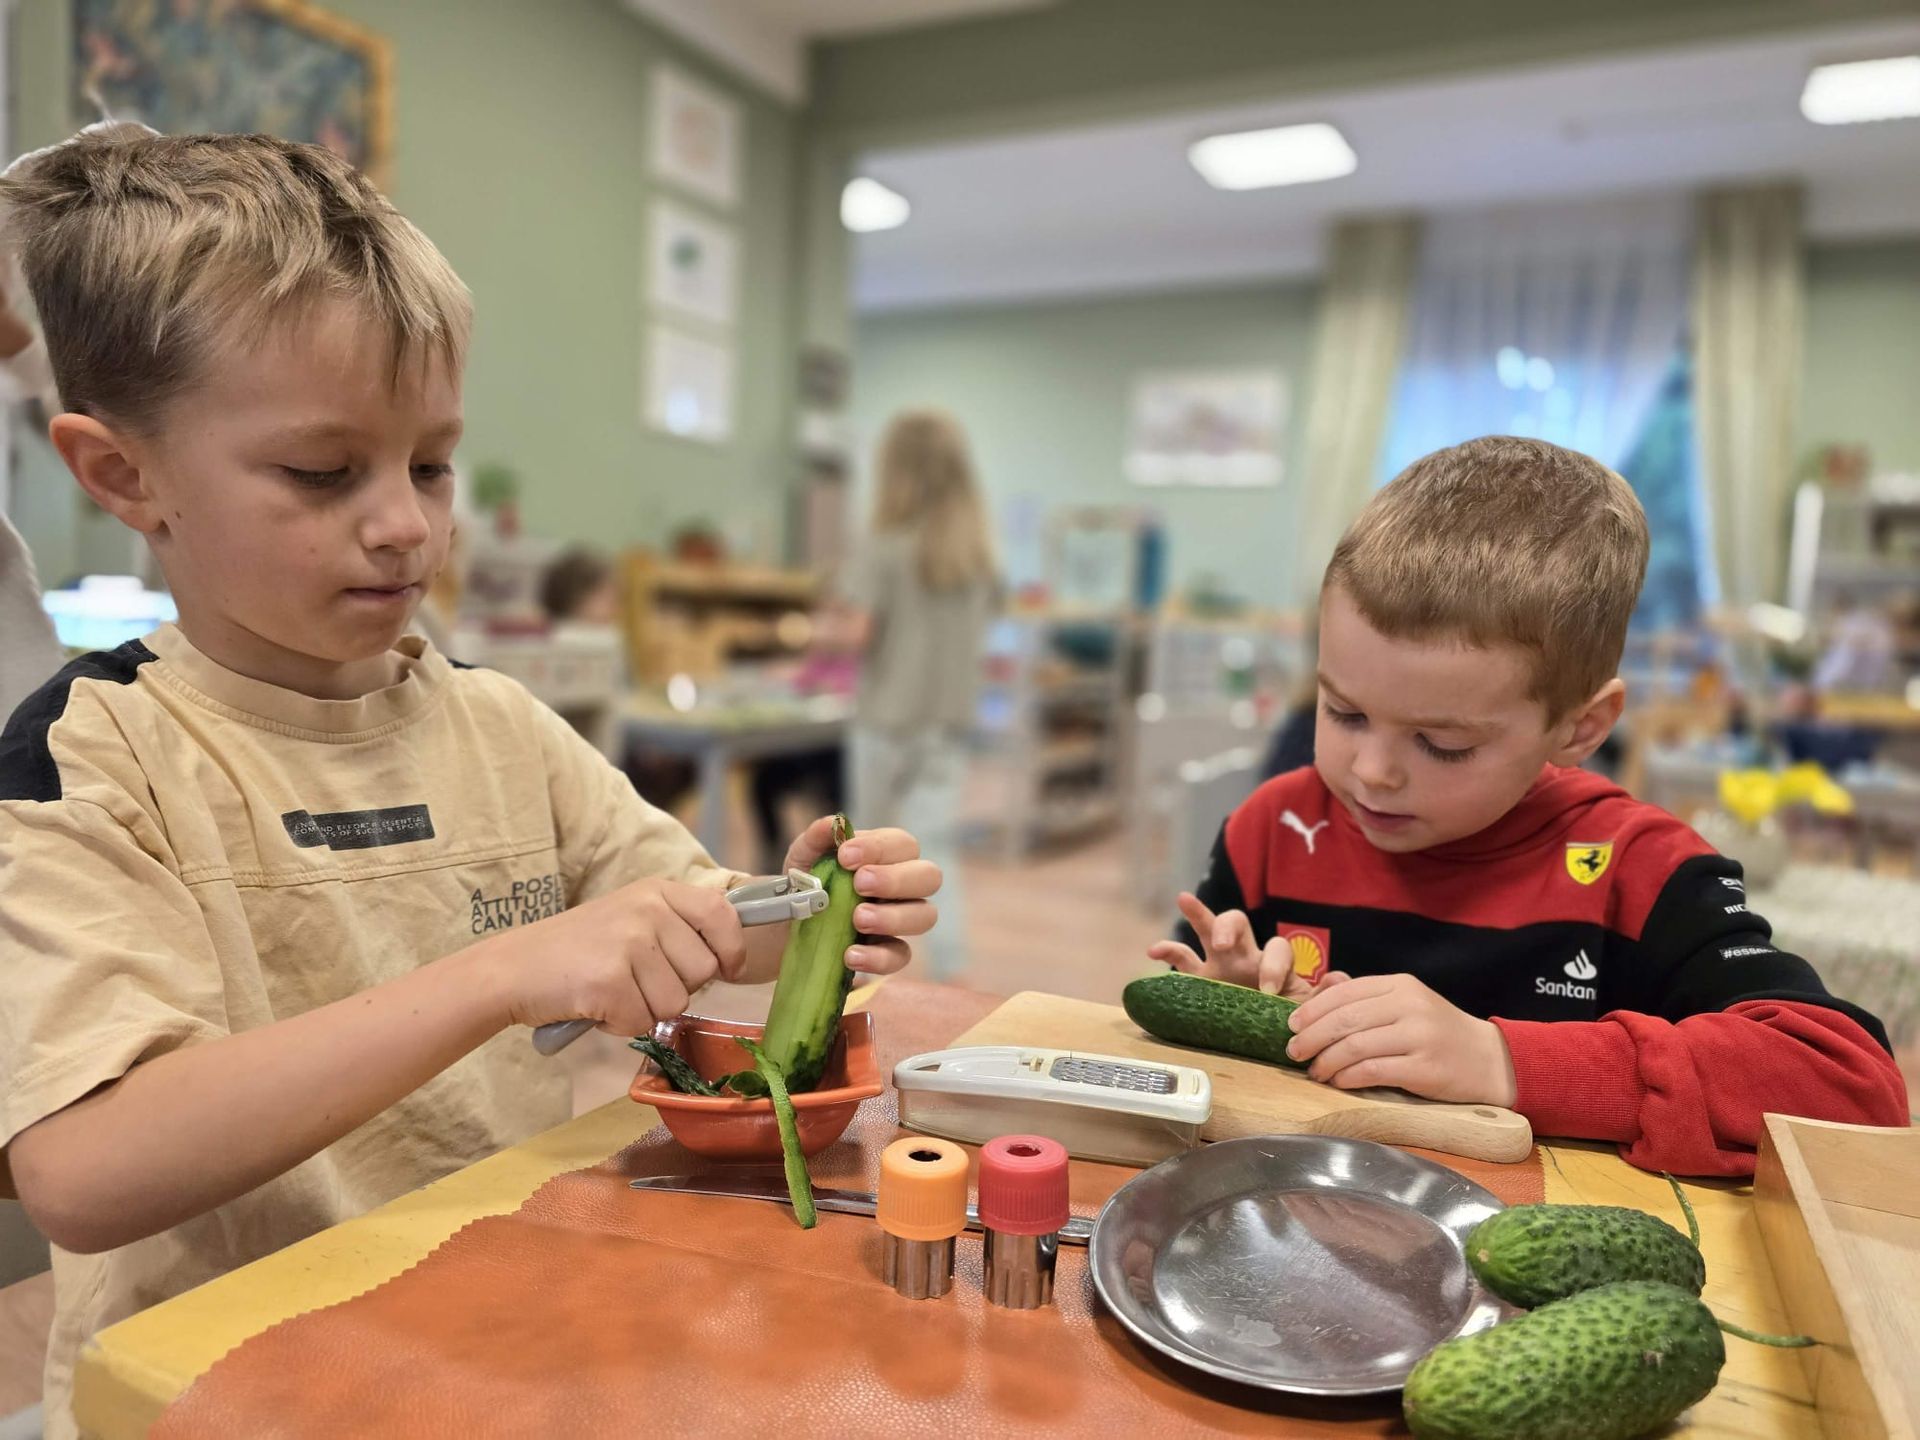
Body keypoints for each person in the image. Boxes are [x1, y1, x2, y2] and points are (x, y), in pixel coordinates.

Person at [0, 124, 940, 1438]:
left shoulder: (498, 725)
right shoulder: (85, 762)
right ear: (122, 473)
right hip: (219, 1390)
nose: (407, 524)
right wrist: (509, 968)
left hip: (484, 1339)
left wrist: (809, 905)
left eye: (429, 464)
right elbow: (84, 1169)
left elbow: (690, 920)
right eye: (324, 473)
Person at [1153, 436, 1906, 1177]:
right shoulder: (1271, 829)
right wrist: (1231, 1006)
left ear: (1579, 727)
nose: (1372, 773)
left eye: (1443, 746)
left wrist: (1503, 1060)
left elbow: (1853, 1089)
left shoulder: (1640, 870)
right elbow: (1177, 1041)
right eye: (1344, 713)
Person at [843, 410, 997, 980]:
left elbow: (858, 632)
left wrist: (818, 628)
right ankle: (950, 970)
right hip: (946, 724)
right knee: (935, 850)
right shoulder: (976, 556)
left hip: (886, 721)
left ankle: (853, 970)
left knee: (862, 855)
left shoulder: (882, 546)